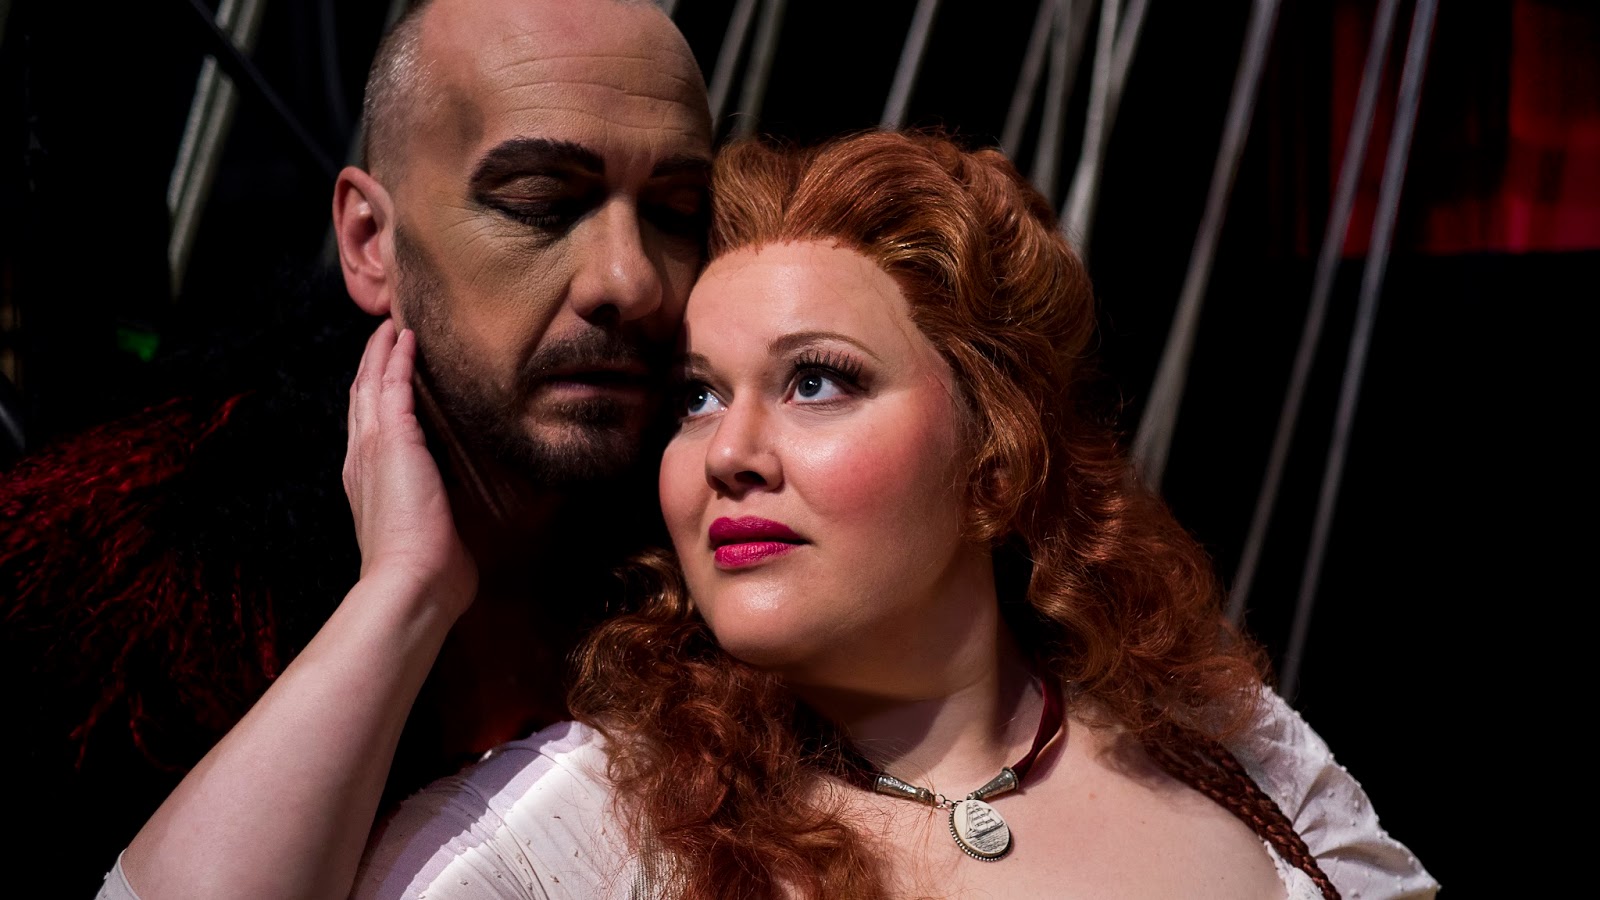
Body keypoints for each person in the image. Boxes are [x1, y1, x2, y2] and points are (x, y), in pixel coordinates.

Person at [103, 130, 1438, 899]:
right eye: (693, 397)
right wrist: (402, 585)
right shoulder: (594, 828)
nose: (730, 452)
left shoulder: (1230, 753)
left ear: (996, 454)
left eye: (816, 381)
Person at [0, 0, 712, 892]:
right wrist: (403, 594)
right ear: (370, 241)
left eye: (679, 212)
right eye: (540, 203)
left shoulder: (733, 560)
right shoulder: (118, 593)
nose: (631, 279)